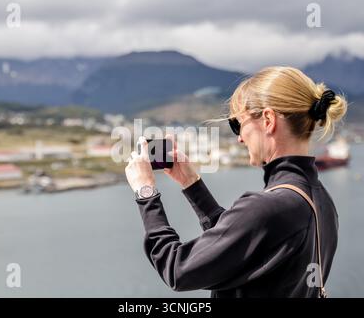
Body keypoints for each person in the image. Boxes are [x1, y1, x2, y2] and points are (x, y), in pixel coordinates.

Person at [125, 66, 347, 298]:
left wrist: (146, 193)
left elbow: (178, 270)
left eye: (237, 124)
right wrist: (191, 183)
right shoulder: (322, 203)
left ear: (268, 120)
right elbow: (245, 243)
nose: (240, 138)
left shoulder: (268, 208)